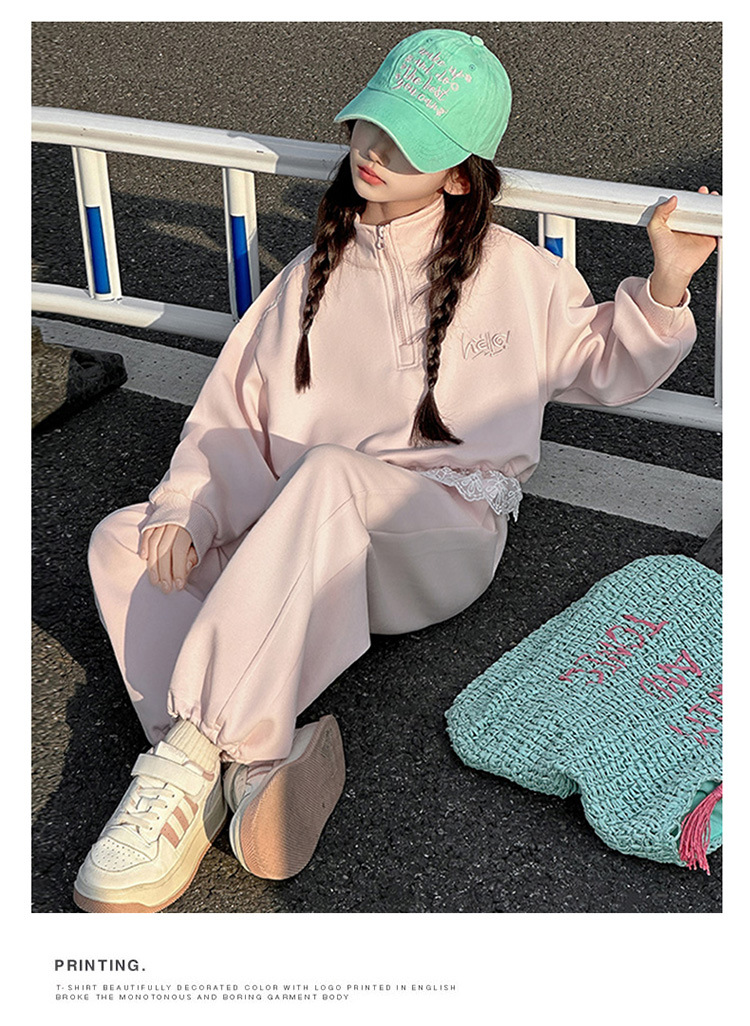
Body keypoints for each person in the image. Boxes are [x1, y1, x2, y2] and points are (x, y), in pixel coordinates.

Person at [73, 29, 718, 913]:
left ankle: (185, 767)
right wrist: (187, 507)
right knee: (127, 539)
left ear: (458, 176)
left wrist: (667, 283)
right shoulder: (310, 276)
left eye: (409, 144)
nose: (375, 152)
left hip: (437, 538)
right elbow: (235, 417)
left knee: (330, 475)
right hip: (309, 540)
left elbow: (608, 363)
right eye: (372, 125)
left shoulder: (520, 274)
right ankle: (248, 762)